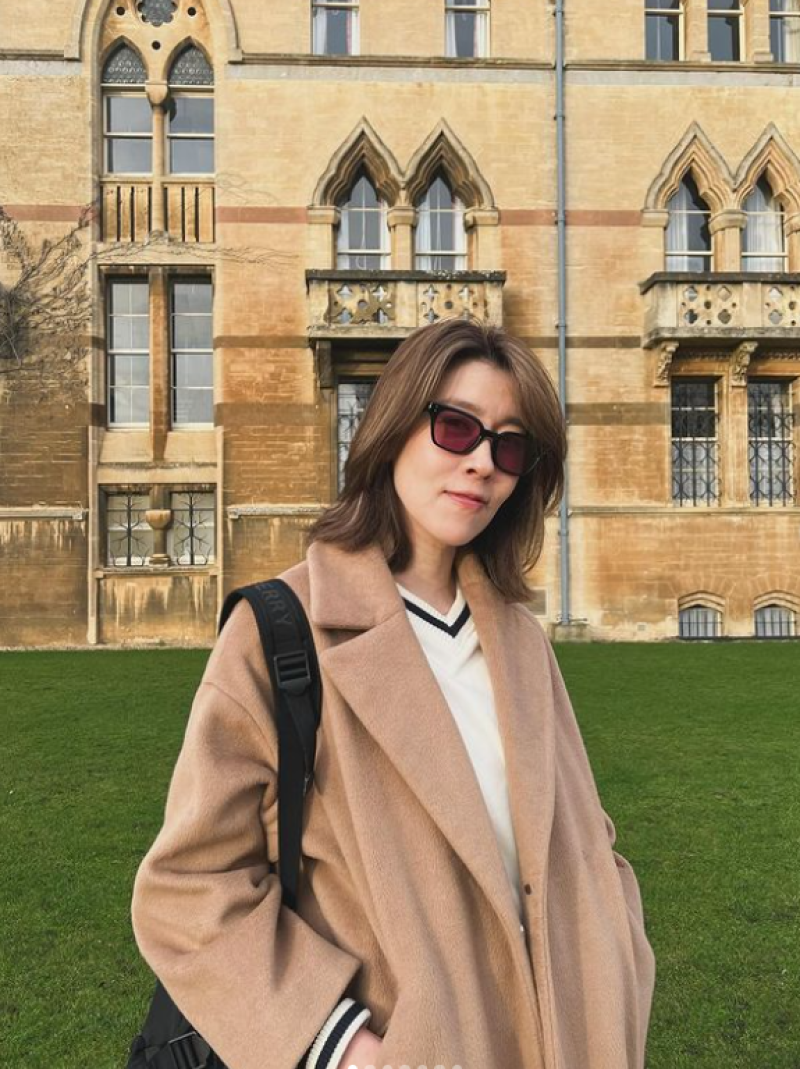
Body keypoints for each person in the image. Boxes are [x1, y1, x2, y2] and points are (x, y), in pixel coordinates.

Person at [131, 317, 656, 1069]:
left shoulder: (521, 641)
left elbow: (586, 839)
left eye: (510, 447)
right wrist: (343, 1046)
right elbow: (188, 886)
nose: (482, 463)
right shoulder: (281, 630)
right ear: (394, 428)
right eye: (456, 427)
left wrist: (622, 958)